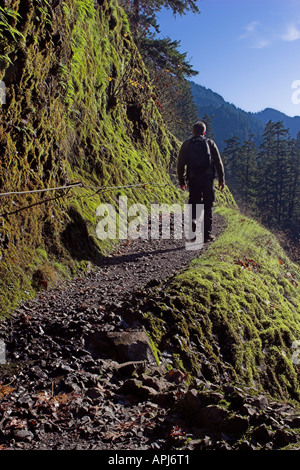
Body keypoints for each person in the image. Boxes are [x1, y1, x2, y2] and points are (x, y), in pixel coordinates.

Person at [177, 121, 225, 242]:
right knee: (208, 206)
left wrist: (181, 181)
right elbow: (218, 162)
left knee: (194, 205)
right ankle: (206, 234)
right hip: (208, 179)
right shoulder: (210, 143)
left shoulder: (187, 144)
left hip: (193, 179)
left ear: (193, 132)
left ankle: (192, 234)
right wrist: (221, 179)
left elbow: (180, 164)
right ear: (204, 132)